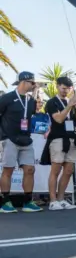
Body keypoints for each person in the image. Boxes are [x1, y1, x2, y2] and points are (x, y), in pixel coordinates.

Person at [0, 72, 41, 213]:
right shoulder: (7, 98)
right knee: (8, 170)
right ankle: (5, 202)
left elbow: (30, 114)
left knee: (30, 169)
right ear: (23, 82)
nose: (34, 85)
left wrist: (36, 93)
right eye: (32, 83)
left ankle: (28, 201)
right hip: (9, 138)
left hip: (26, 139)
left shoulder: (30, 100)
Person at [44, 76, 76, 211]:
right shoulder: (52, 102)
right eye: (63, 88)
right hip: (57, 138)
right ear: (57, 86)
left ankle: (61, 199)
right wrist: (69, 105)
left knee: (68, 170)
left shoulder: (71, 102)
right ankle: (53, 200)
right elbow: (59, 119)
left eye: (68, 89)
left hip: (72, 138)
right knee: (56, 169)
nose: (66, 91)